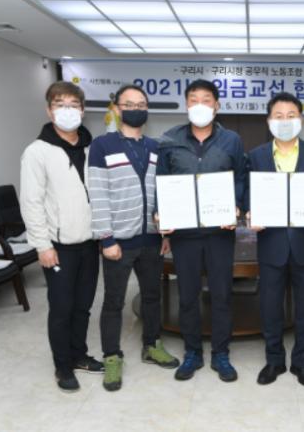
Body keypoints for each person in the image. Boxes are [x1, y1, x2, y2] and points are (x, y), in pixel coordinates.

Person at [88, 84, 179, 392]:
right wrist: (106, 238)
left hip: (152, 238)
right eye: (129, 104)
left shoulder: (155, 147)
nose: (136, 109)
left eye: (141, 104)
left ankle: (152, 345)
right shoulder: (102, 146)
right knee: (114, 301)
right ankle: (112, 356)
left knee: (152, 296)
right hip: (118, 241)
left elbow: (161, 191)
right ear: (117, 108)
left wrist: (164, 230)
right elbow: (98, 195)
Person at [157, 79, 246, 382]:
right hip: (184, 234)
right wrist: (162, 218)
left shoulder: (231, 140)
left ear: (217, 106)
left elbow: (241, 178)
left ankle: (221, 353)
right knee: (187, 296)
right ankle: (192, 352)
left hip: (220, 232)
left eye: (206, 100)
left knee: (221, 295)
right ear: (186, 105)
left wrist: (237, 206)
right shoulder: (169, 139)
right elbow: (162, 183)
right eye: (193, 99)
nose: (199, 105)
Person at [20, 81, 103, 392]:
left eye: (73, 105)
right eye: (60, 104)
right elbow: (31, 202)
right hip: (58, 247)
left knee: (83, 306)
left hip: (90, 243)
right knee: (62, 308)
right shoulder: (37, 152)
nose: (67, 110)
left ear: (83, 110)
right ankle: (62, 365)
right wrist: (42, 245)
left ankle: (79, 355)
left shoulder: (92, 147)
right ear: (49, 110)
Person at [246, 92, 304, 388]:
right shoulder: (256, 155)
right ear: (268, 121)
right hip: (271, 243)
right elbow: (248, 192)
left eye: (291, 116)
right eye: (278, 116)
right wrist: (251, 212)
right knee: (270, 307)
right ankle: (274, 361)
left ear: (301, 119)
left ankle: (302, 363)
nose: (285, 121)